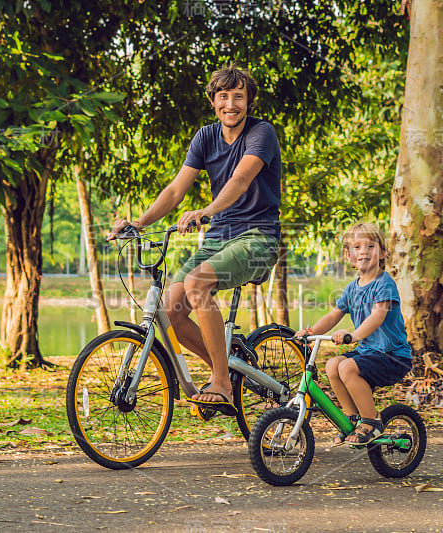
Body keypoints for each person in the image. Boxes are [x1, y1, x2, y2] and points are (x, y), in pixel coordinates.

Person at [107, 65, 281, 416]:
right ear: (213, 101)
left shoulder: (261, 133)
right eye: (223, 97)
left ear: (248, 101)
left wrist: (207, 209)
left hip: (259, 238)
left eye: (238, 97)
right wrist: (139, 223)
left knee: (196, 282)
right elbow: (174, 190)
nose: (230, 104)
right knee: (170, 310)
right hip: (219, 238)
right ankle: (229, 369)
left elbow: (241, 180)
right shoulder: (205, 137)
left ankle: (220, 382)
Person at [296, 222, 412, 446]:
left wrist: (353, 335)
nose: (364, 252)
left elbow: (377, 316)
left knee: (347, 367)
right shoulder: (351, 288)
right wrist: (310, 333)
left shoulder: (384, 283)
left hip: (393, 356)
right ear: (349, 255)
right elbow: (333, 315)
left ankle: (371, 422)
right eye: (357, 247)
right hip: (369, 352)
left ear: (382, 253)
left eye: (371, 246)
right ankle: (352, 420)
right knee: (332, 365)